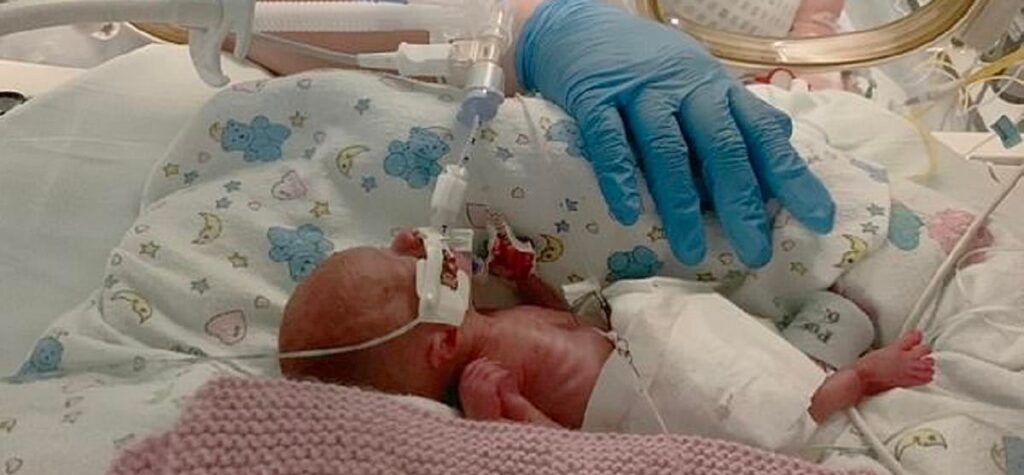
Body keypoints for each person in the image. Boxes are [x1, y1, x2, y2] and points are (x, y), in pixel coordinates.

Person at [244, 0, 838, 268]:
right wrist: (533, 27)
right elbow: (238, 18)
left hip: (758, 90)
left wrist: (813, 35)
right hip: (512, 58)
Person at [277, 230, 935, 445]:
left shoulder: (490, 324)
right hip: (655, 399)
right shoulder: (484, 390)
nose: (416, 246)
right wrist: (506, 415)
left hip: (650, 339)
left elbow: (564, 322)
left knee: (757, 351)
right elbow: (563, 452)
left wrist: (524, 278)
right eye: (409, 268)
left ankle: (821, 348)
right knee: (771, 413)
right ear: (439, 347)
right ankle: (858, 379)